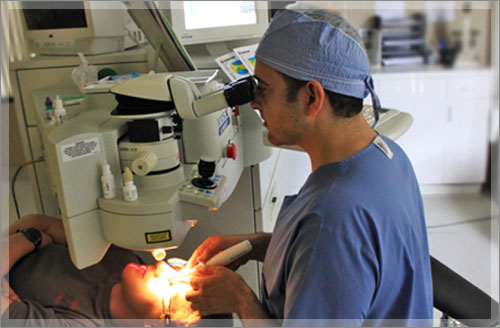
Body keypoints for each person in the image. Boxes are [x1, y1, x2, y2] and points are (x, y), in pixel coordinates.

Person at [183, 4, 433, 327]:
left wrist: (239, 298)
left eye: (264, 89)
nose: (255, 102)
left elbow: (332, 244)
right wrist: (255, 245)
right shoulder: (387, 155)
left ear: (312, 98)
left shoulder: (333, 220)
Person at [0, 214, 214, 327]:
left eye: (169, 285)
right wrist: (28, 238)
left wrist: (31, 239)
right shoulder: (119, 257)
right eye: (177, 269)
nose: (161, 266)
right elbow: (37, 222)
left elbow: (38, 230)